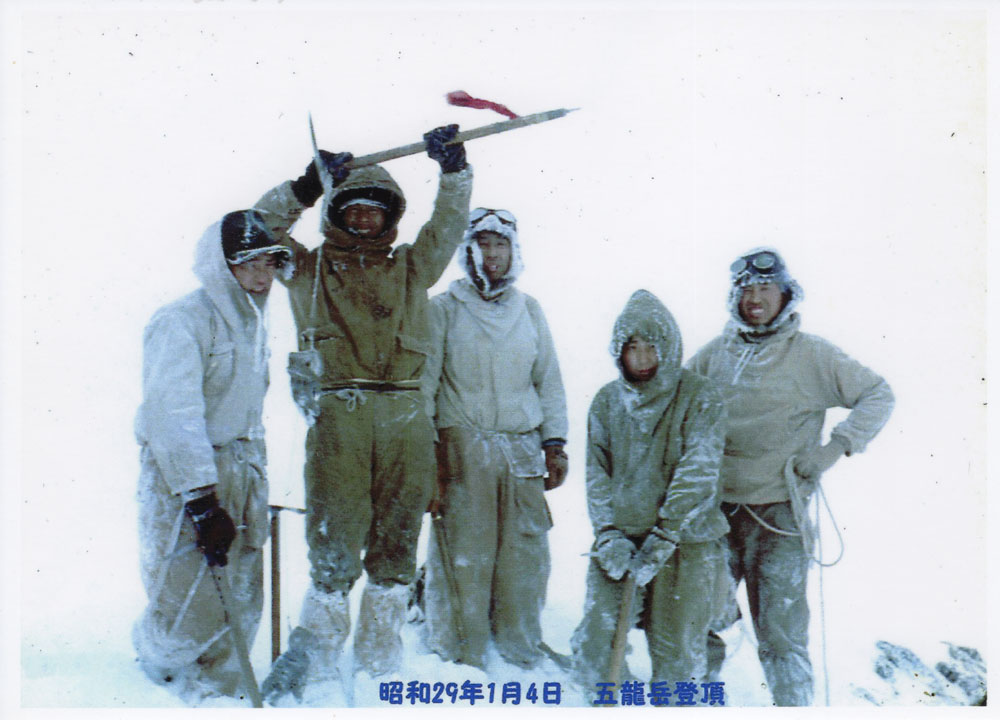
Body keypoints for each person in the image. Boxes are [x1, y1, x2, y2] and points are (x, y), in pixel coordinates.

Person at [254, 126, 473, 696]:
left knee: (397, 543)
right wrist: (304, 187)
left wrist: (454, 172)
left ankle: (380, 662)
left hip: (405, 417)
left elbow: (448, 226)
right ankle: (322, 665)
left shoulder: (412, 267)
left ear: (390, 215)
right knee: (333, 543)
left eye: (375, 210)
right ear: (337, 213)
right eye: (353, 207)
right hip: (339, 419)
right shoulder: (307, 269)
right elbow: (259, 228)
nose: (364, 218)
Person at [688, 247, 894, 706]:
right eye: (746, 290)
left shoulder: (812, 355)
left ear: (785, 295)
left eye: (766, 288)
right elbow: (675, 402)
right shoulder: (715, 355)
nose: (755, 299)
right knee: (699, 623)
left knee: (781, 637)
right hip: (714, 515)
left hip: (779, 518)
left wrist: (834, 449)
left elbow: (878, 394)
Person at [132, 209, 292, 704]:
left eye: (268, 264)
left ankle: (219, 688)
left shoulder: (253, 323)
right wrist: (201, 500)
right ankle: (156, 662)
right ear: (222, 267)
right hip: (185, 473)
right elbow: (172, 413)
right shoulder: (183, 320)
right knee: (188, 597)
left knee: (239, 588)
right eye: (249, 264)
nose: (261, 277)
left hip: (241, 468)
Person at [420, 207, 569, 670]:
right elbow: (425, 384)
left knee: (524, 555)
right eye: (483, 244)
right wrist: (428, 456)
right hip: (463, 447)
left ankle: (520, 646)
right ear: (468, 251)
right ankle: (457, 650)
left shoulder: (529, 310)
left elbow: (548, 379)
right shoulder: (444, 309)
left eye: (500, 244)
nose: (492, 254)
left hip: (521, 448)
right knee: (465, 554)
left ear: (513, 251)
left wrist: (555, 443)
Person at [570, 289, 730, 699]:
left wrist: (666, 532)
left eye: (650, 347)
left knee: (678, 654)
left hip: (686, 541)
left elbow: (699, 469)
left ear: (669, 347)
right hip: (621, 542)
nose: (640, 358)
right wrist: (607, 533)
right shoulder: (607, 401)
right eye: (631, 347)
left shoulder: (699, 395)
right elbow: (597, 473)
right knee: (597, 642)